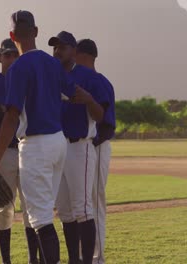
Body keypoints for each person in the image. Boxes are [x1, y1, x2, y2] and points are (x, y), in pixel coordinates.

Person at [0, 11, 76, 264]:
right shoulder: (53, 64)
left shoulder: (19, 67)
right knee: (45, 212)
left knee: (40, 218)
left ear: (12, 35)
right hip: (58, 142)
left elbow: (12, 115)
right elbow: (72, 92)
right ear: (36, 32)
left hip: (36, 145)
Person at [49, 31, 109, 264]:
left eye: (62, 47)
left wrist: (89, 100)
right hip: (56, 147)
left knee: (83, 208)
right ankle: (74, 259)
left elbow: (101, 114)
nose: (57, 51)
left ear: (74, 50)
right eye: (55, 47)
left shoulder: (88, 77)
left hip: (79, 146)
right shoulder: (51, 75)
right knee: (64, 210)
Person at [0, 38, 42, 264]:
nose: (11, 59)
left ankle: (33, 259)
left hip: (28, 148)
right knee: (3, 208)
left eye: (14, 55)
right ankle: (6, 260)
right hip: (3, 152)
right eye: (7, 55)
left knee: (30, 208)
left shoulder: (28, 80)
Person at [76, 39, 116, 264]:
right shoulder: (77, 79)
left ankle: (96, 257)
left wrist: (92, 143)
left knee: (94, 202)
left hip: (97, 147)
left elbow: (108, 124)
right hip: (82, 150)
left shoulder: (100, 82)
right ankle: (83, 255)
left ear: (85, 56)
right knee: (81, 205)